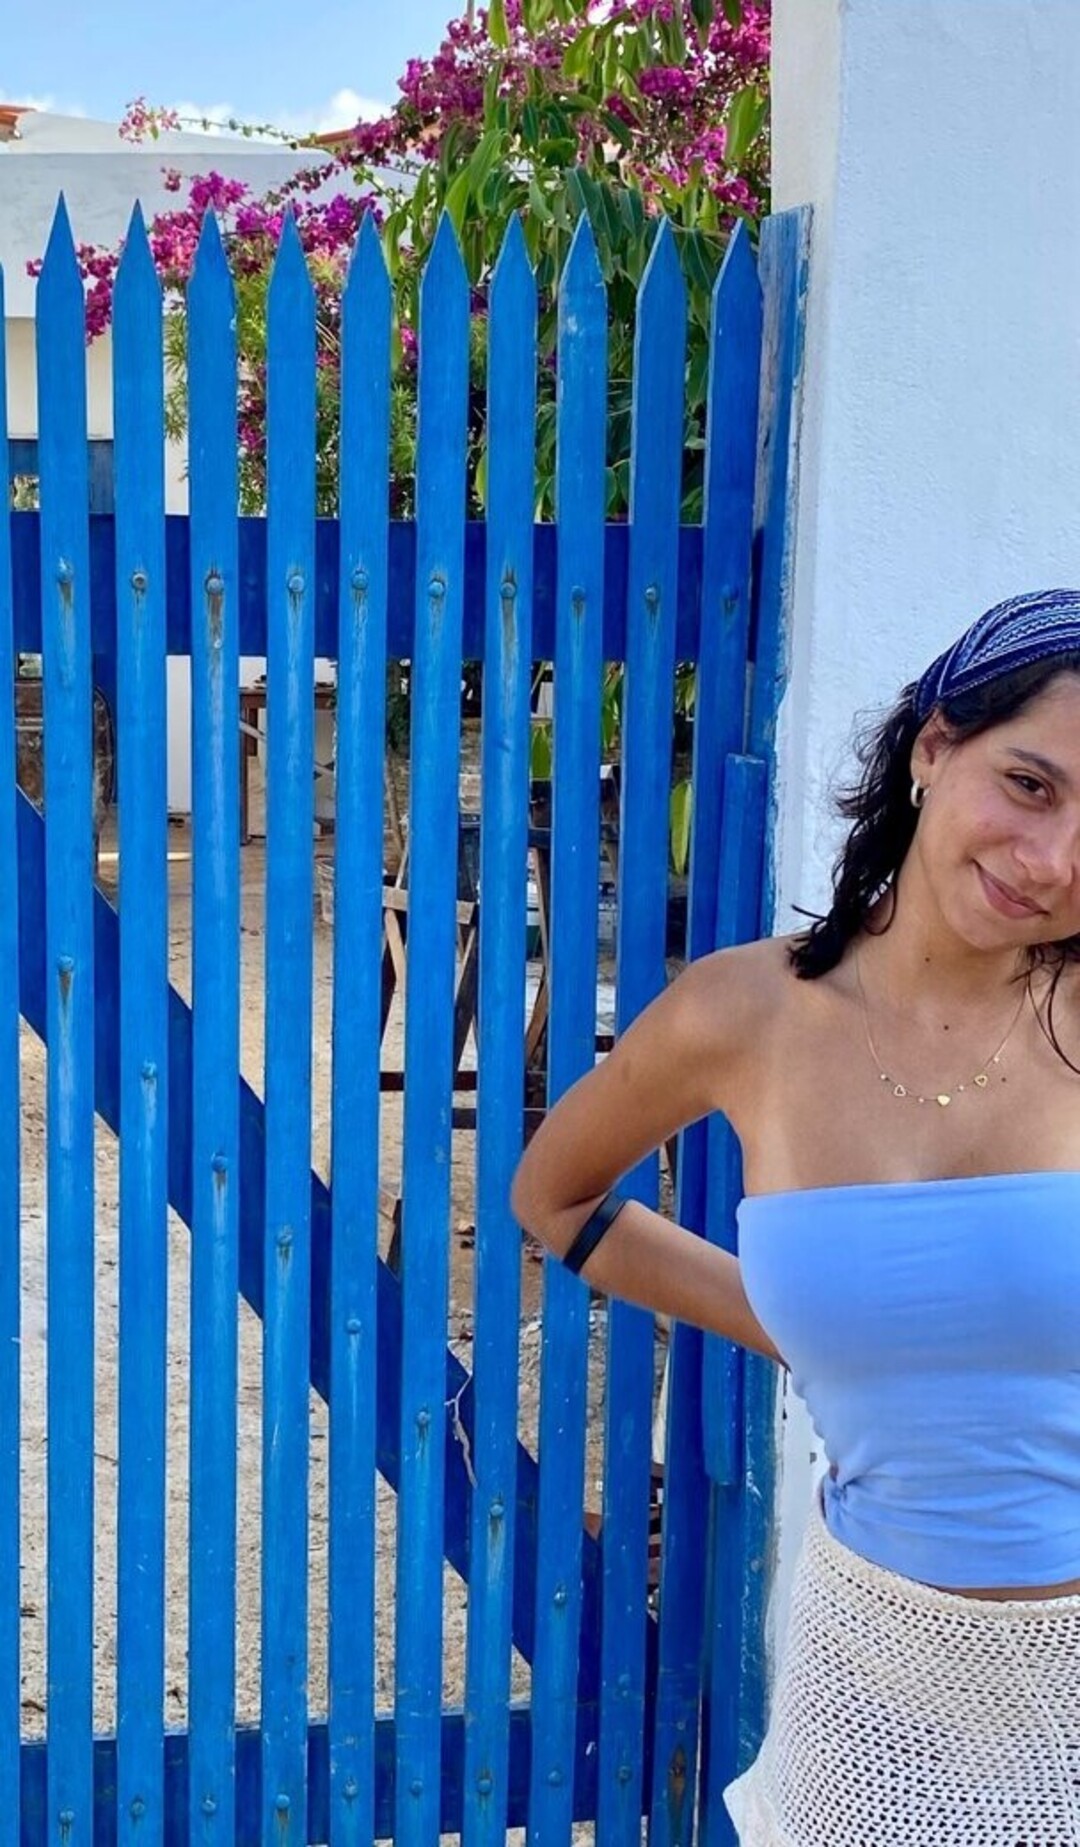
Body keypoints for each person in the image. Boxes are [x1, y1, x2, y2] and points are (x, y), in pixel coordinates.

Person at [511, 588, 1080, 1845]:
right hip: (866, 1694)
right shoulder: (745, 1014)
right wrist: (805, 1328)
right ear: (934, 746)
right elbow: (556, 1194)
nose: (1053, 860)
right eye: (1030, 784)